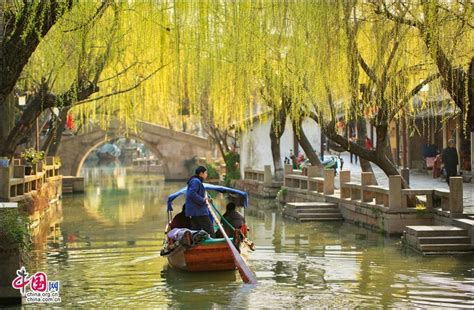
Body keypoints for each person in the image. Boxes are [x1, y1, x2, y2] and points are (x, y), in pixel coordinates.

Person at [185, 166, 214, 237]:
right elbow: (191, 193)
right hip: (199, 211)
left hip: (195, 211)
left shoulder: (196, 181)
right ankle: (212, 244)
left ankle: (196, 245)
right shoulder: (196, 181)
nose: (206, 175)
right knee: (210, 230)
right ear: (201, 173)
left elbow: (198, 193)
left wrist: (207, 199)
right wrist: (202, 200)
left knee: (196, 231)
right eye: (205, 173)